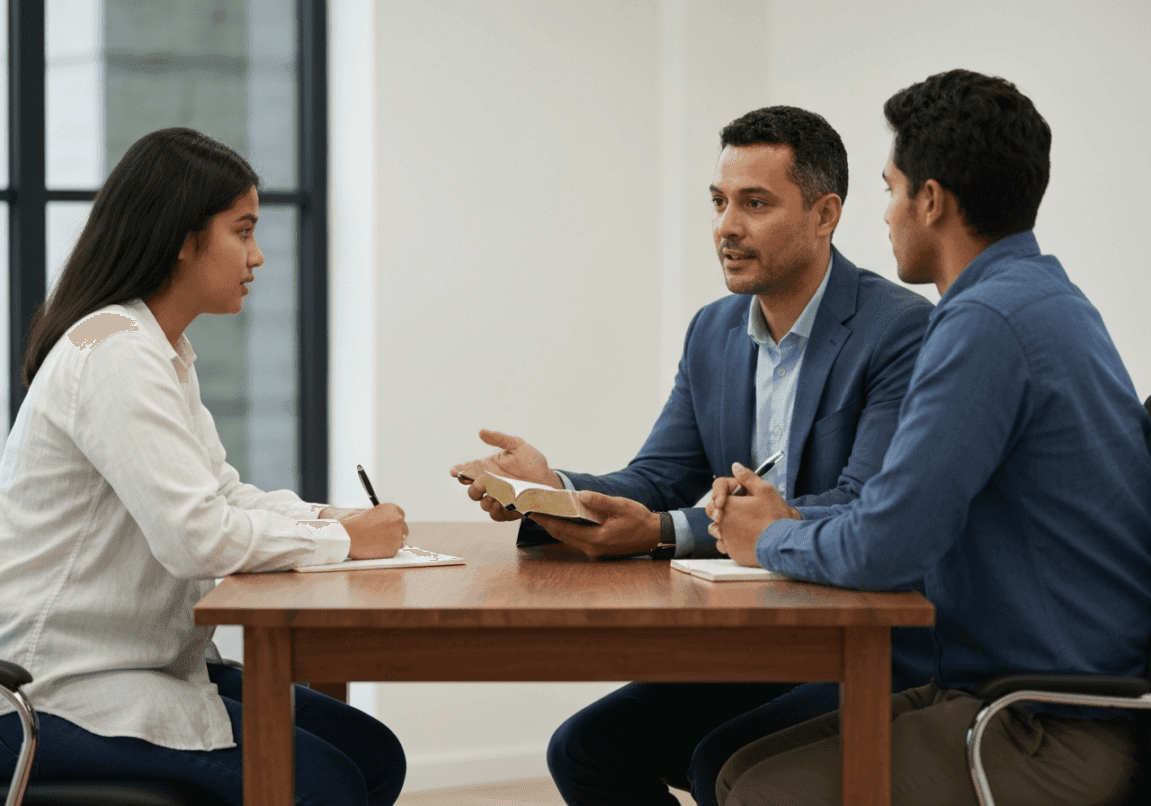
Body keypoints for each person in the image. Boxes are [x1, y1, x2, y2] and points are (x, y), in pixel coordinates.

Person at [450, 107, 935, 806]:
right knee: (584, 751)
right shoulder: (712, 331)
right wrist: (550, 487)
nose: (725, 227)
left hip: (866, 644)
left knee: (720, 761)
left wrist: (661, 530)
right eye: (718, 202)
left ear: (824, 214)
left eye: (754, 203)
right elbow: (661, 476)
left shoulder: (902, 332)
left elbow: (864, 506)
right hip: (756, 634)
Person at [707, 69, 1151, 806]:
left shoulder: (986, 325)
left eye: (888, 190)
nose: (883, 216)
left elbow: (889, 546)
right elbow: (898, 503)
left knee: (761, 792)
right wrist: (788, 519)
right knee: (732, 770)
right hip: (1022, 693)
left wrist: (770, 540)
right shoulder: (1040, 299)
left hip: (1048, 720)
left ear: (931, 200)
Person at [0, 128, 407, 806]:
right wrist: (343, 542)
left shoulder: (151, 343)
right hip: (55, 689)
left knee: (370, 754)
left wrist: (324, 518)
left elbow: (217, 493)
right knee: (328, 784)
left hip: (138, 665)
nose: (258, 255)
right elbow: (197, 538)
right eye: (242, 231)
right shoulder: (114, 352)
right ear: (181, 238)